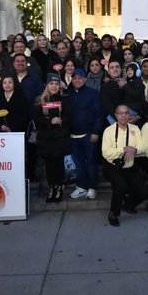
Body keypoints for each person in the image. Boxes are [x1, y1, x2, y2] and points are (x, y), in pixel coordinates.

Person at [101, 105, 148, 226]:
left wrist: (134, 150)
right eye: (120, 113)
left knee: (143, 192)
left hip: (129, 166)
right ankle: (113, 213)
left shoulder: (135, 129)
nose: (123, 115)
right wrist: (123, 149)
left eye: (126, 113)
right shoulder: (109, 131)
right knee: (121, 186)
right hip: (112, 166)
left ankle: (128, 205)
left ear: (129, 115)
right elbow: (105, 152)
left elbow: (143, 147)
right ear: (116, 115)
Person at [34, 75, 71, 203]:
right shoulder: (40, 100)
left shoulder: (65, 100)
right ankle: (51, 188)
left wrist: (61, 120)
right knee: (50, 165)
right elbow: (37, 118)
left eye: (56, 83)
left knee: (59, 164)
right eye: (51, 84)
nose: (54, 86)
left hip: (60, 138)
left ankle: (59, 188)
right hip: (46, 139)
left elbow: (69, 116)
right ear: (47, 86)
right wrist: (50, 121)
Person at [67, 68, 103, 200]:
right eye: (75, 78)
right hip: (73, 136)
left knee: (91, 162)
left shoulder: (93, 93)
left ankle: (92, 187)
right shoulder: (68, 94)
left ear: (84, 79)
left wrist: (95, 131)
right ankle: (81, 186)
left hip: (89, 134)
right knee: (78, 163)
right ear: (72, 79)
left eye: (80, 78)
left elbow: (99, 114)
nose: (77, 80)